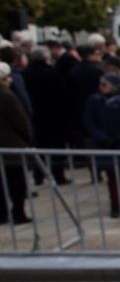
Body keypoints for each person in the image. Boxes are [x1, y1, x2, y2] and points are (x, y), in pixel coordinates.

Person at [83, 73, 120, 218]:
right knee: (113, 175)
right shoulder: (95, 101)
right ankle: (116, 204)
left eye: (105, 84)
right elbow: (89, 122)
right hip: (105, 143)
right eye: (101, 84)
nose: (101, 87)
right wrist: (102, 137)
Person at [22, 47, 71, 184]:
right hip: (54, 116)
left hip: (37, 117)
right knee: (56, 148)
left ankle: (39, 175)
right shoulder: (53, 74)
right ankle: (58, 175)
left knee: (39, 147)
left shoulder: (26, 74)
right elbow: (64, 97)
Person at [0, 62, 34, 225]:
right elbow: (20, 120)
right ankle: (18, 212)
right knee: (17, 183)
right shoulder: (7, 96)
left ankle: (2, 212)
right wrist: (28, 138)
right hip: (12, 146)